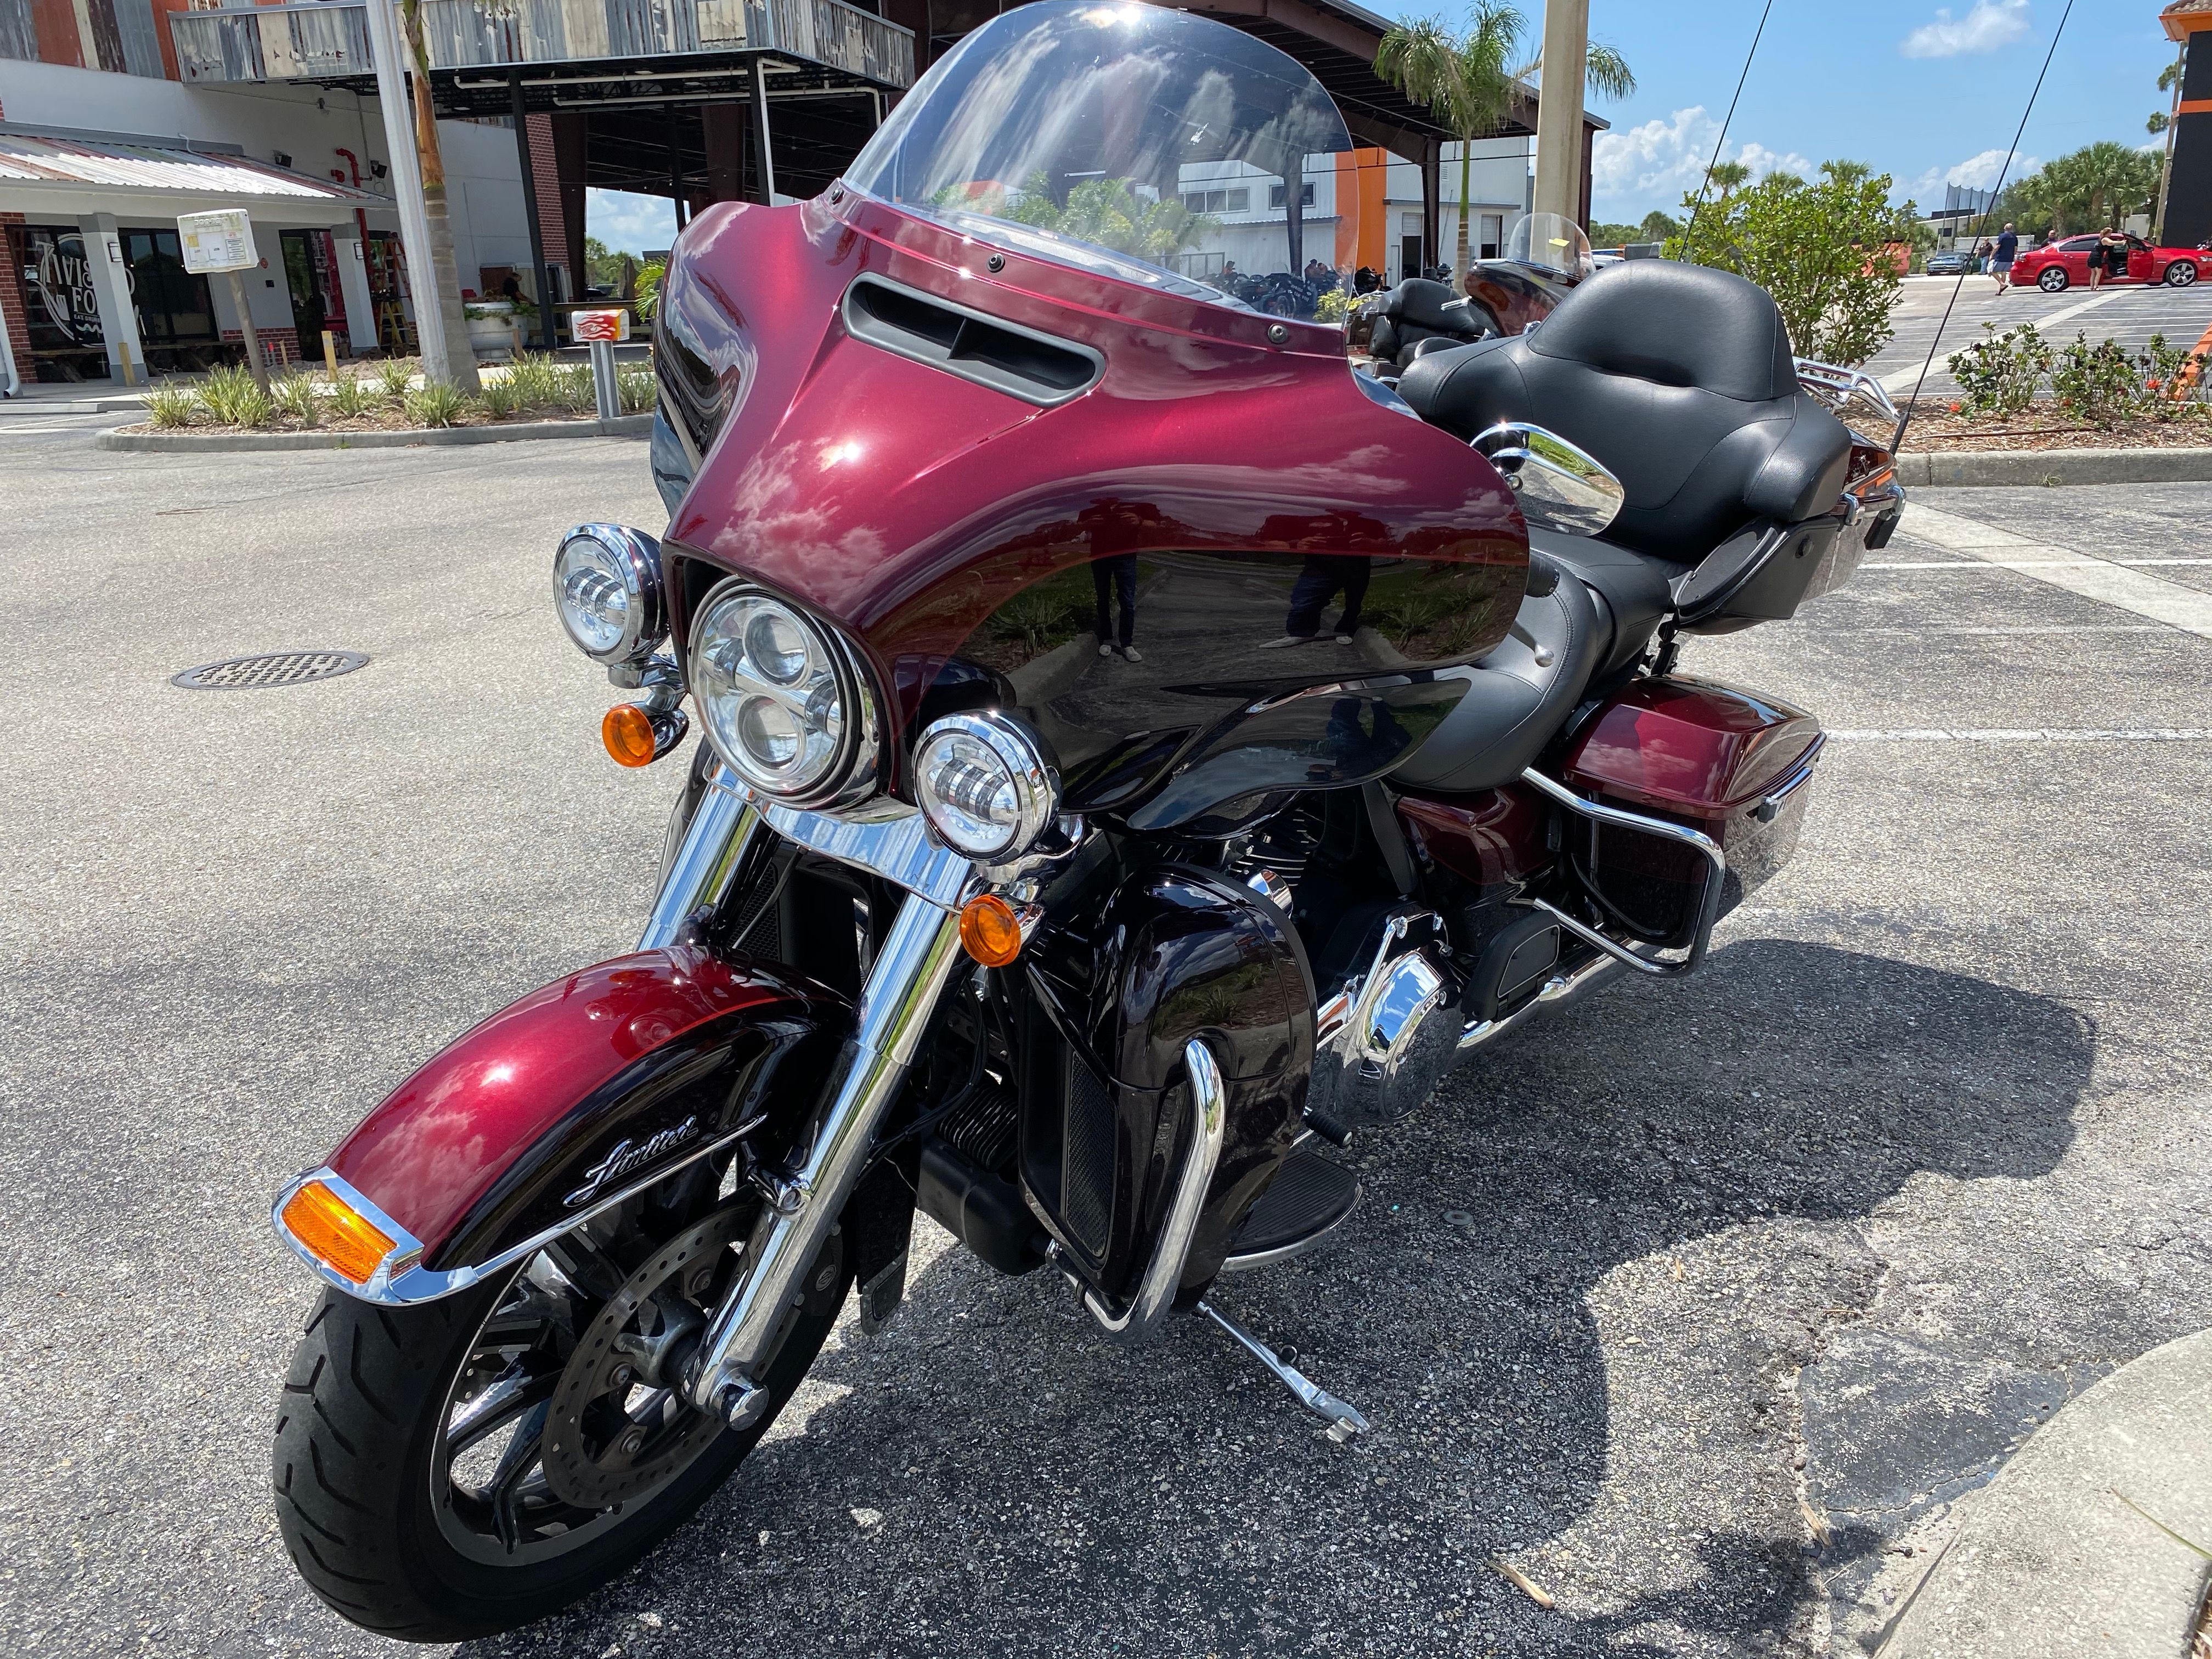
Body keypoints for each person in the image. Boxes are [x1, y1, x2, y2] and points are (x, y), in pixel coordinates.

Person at [1092, 553, 1141, 663]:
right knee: (1103, 596)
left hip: (1125, 552)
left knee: (1127, 601)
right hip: (1102, 551)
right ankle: (1107, 638)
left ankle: (1126, 644)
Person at [2092, 224, 2129, 290]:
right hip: (2097, 257)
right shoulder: (2105, 239)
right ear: (2107, 233)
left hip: (2098, 257)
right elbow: (2111, 243)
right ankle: (2095, 287)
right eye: (2110, 233)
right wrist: (2121, 242)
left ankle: (2093, 287)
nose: (2111, 235)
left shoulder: (2102, 239)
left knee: (2095, 273)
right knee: (2099, 272)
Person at [1991, 222, 2017, 295]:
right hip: (2009, 258)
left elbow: (1997, 247)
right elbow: (2016, 249)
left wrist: (1992, 255)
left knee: (1992, 271)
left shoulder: (2002, 236)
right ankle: (2000, 291)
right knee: (2004, 272)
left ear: (2005, 228)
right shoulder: (2014, 237)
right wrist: (2013, 257)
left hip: (2001, 258)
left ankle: (2002, 284)